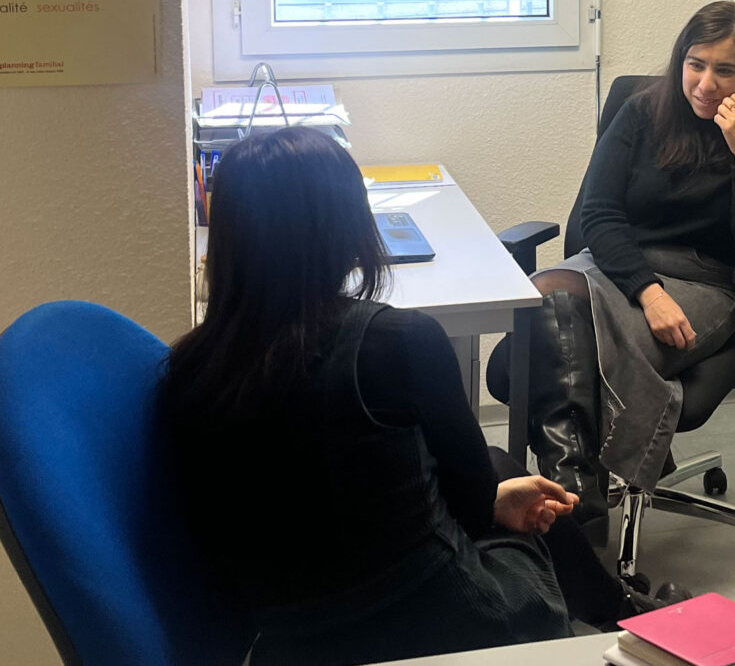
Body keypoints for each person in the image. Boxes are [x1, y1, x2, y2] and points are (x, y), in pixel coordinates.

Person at [162, 128, 661, 666]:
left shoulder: (188, 368)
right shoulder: (398, 341)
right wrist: (491, 502)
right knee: (519, 494)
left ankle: (627, 615)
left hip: (284, 642)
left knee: (501, 469)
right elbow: (471, 510)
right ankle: (637, 625)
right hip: (430, 625)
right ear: (347, 229)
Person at [488, 1, 735, 521]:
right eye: (695, 64)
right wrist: (646, 291)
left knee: (547, 341)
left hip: (704, 282)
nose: (706, 83)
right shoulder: (641, 112)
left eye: (725, 70)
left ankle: (568, 513)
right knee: (553, 301)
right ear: (680, 59)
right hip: (616, 264)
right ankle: (579, 502)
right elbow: (599, 212)